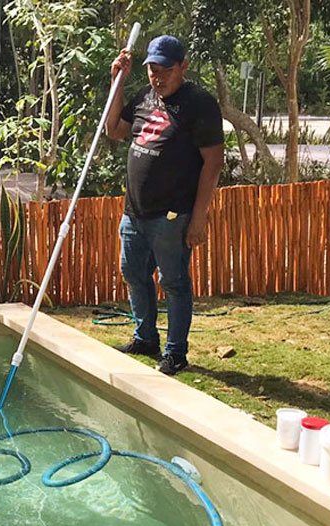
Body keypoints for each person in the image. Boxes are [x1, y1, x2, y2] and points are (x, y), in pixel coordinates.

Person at [105, 35, 225, 375]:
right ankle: (145, 338)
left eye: (165, 71)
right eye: (152, 70)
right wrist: (118, 82)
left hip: (172, 215)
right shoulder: (145, 96)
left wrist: (198, 217)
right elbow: (114, 130)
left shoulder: (199, 103)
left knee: (173, 282)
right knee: (133, 273)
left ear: (183, 67)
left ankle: (175, 352)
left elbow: (214, 162)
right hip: (135, 211)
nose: (158, 78)